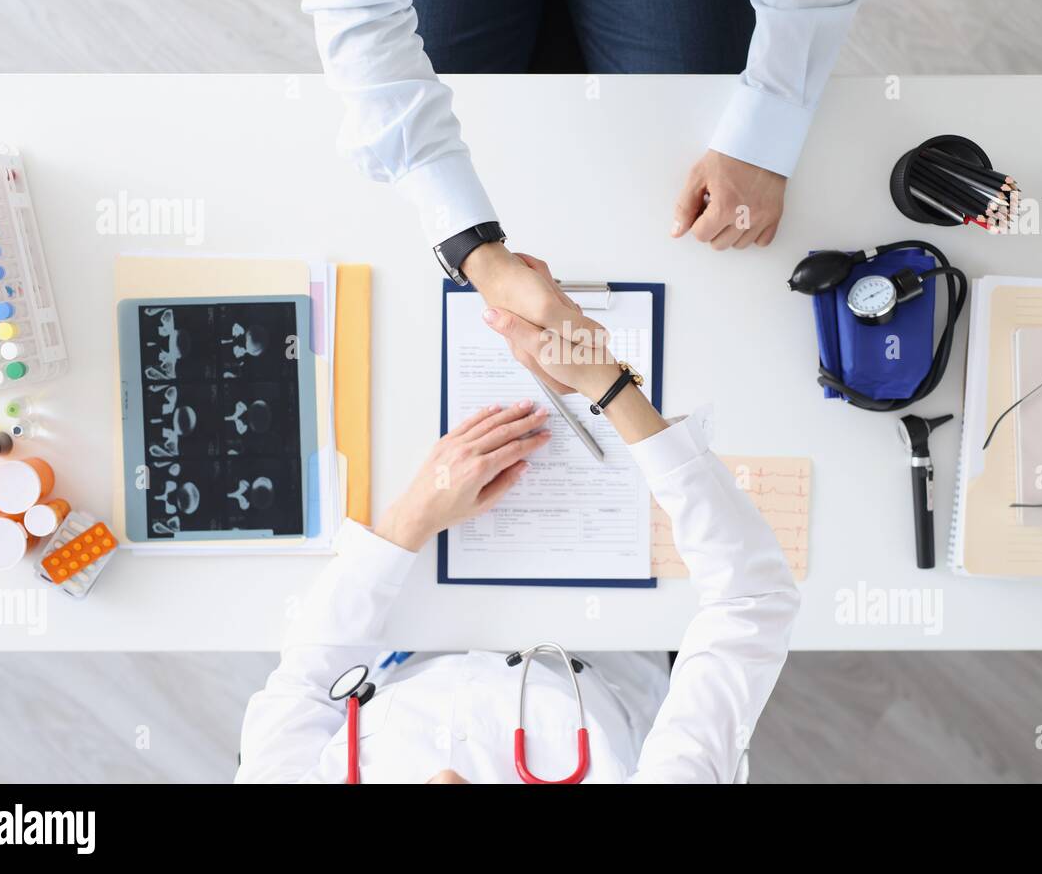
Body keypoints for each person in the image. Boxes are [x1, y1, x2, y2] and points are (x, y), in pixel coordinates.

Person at [236, 262, 799, 783]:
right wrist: (607, 385)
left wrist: (412, 516)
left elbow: (307, 685)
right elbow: (750, 601)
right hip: (613, 648)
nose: (443, 780)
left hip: (425, 630)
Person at [297, 0, 875, 378]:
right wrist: (469, 243)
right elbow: (361, 12)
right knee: (401, 222)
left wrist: (766, 133)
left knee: (684, 175)